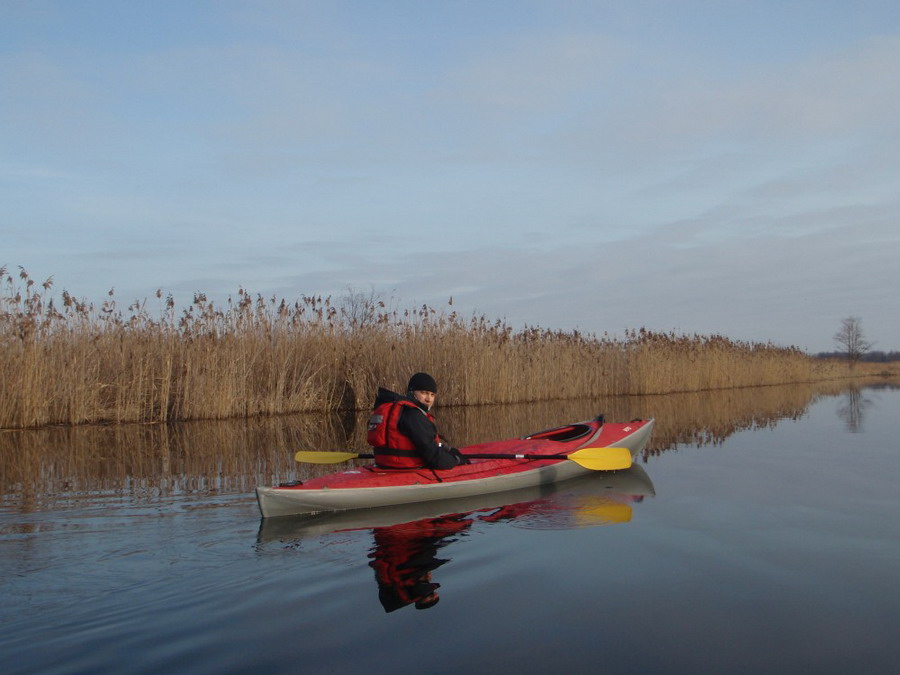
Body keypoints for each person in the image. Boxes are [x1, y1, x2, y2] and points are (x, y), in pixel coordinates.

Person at [367, 372, 469, 469]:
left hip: (383, 464)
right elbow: (435, 457)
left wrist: (446, 449)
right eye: (424, 393)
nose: (429, 399)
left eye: (432, 395)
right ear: (412, 392)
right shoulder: (414, 415)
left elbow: (423, 443)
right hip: (406, 468)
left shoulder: (393, 408)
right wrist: (456, 460)